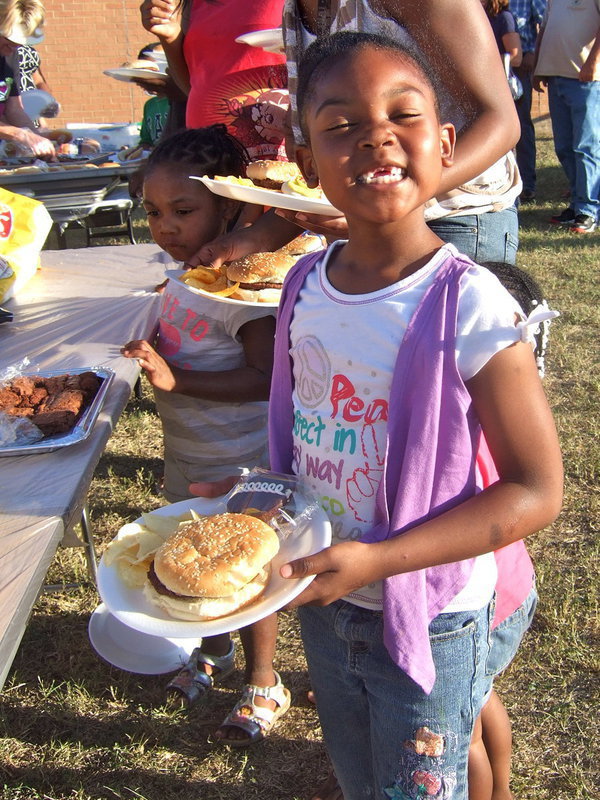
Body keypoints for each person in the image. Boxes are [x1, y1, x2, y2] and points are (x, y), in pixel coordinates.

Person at [267, 31, 562, 800]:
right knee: (363, 779)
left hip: (430, 613)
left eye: (404, 113)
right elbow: (305, 443)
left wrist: (378, 562)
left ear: (447, 142)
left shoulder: (468, 302)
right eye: (340, 125)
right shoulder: (302, 285)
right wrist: (249, 505)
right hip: (325, 605)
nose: (375, 136)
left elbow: (536, 490)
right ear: (306, 162)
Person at [121, 126, 290, 747]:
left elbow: (265, 378)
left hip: (240, 461)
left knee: (244, 573)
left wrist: (177, 378)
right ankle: (211, 650)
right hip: (187, 453)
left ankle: (264, 678)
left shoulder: (240, 292)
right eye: (153, 212)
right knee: (195, 558)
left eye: (183, 212)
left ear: (229, 208)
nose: (165, 226)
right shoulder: (180, 278)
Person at [191, 0, 522, 275]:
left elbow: (500, 120)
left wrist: (384, 196)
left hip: (457, 222)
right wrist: (260, 237)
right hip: (370, 228)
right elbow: (326, 168)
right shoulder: (295, 10)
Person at [467, 261, 557, 800]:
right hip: (507, 591)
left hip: (482, 603)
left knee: (460, 730)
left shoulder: (468, 429)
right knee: (478, 699)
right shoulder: (512, 417)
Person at [139, 0, 290, 161]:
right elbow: (194, 86)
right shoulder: (193, 3)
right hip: (207, 152)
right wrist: (170, 36)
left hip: (276, 149)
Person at [533, 0, 600, 233]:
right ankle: (576, 205)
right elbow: (546, 29)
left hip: (586, 79)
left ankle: (589, 210)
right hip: (555, 75)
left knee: (586, 147)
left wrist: (593, 61)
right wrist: (538, 68)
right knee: (564, 147)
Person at [0, 0, 54, 157]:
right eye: (10, 41)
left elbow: (14, 109)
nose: (14, 48)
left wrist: (37, 136)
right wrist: (20, 134)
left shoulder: (7, 59)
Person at [509, 0, 546, 202]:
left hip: (519, 69)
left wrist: (533, 53)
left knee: (521, 126)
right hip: (489, 68)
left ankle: (527, 184)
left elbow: (546, 24)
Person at [481, 0, 522, 69]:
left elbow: (516, 57)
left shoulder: (504, 17)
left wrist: (483, 62)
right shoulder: (478, 18)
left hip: (495, 75)